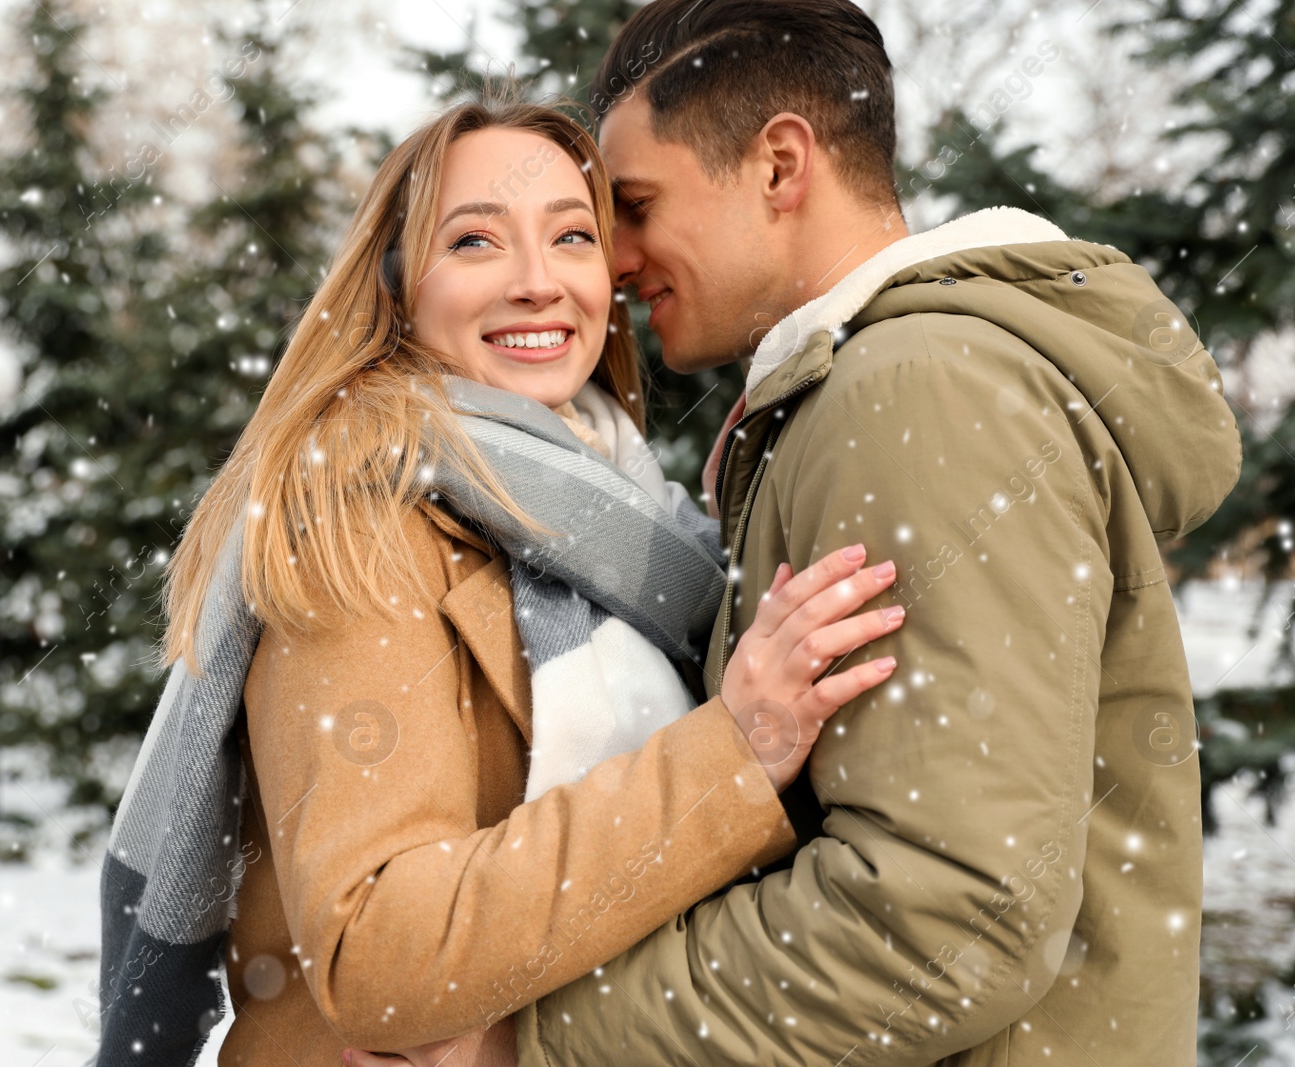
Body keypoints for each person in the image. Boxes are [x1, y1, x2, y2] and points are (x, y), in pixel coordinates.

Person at [344, 2, 1242, 1066]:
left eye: (632, 205)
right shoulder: (865, 390)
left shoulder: (918, 389)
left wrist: (537, 1040)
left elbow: (945, 918)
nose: (615, 262)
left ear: (779, 166)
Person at [109, 96, 908, 1067]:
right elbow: (378, 950)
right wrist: (727, 756)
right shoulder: (361, 525)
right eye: (476, 241)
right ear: (397, 287)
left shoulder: (629, 523)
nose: (538, 282)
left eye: (572, 235)